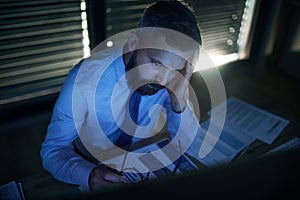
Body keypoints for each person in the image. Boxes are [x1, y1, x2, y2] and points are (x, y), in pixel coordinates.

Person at [40, 0, 203, 192]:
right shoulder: (83, 80)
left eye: (174, 70)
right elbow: (53, 149)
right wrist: (90, 176)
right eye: (157, 64)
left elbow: (190, 145)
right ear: (134, 42)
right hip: (89, 161)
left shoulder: (171, 80)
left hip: (138, 161)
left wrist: (179, 99)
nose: (163, 80)